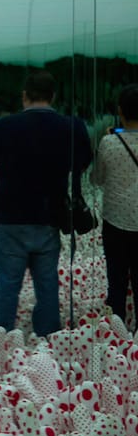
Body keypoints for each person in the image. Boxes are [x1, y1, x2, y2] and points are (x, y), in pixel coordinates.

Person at [0, 69, 92, 337]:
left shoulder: (6, 126)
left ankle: (1, 340)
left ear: (24, 96)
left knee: (7, 285)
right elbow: (83, 163)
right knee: (47, 285)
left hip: (9, 218)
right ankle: (49, 340)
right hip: (48, 216)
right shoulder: (71, 127)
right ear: (53, 96)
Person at [90, 84, 138, 329]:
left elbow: (96, 179)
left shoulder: (109, 142)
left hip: (115, 222)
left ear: (120, 111)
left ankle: (117, 336)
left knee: (117, 282)